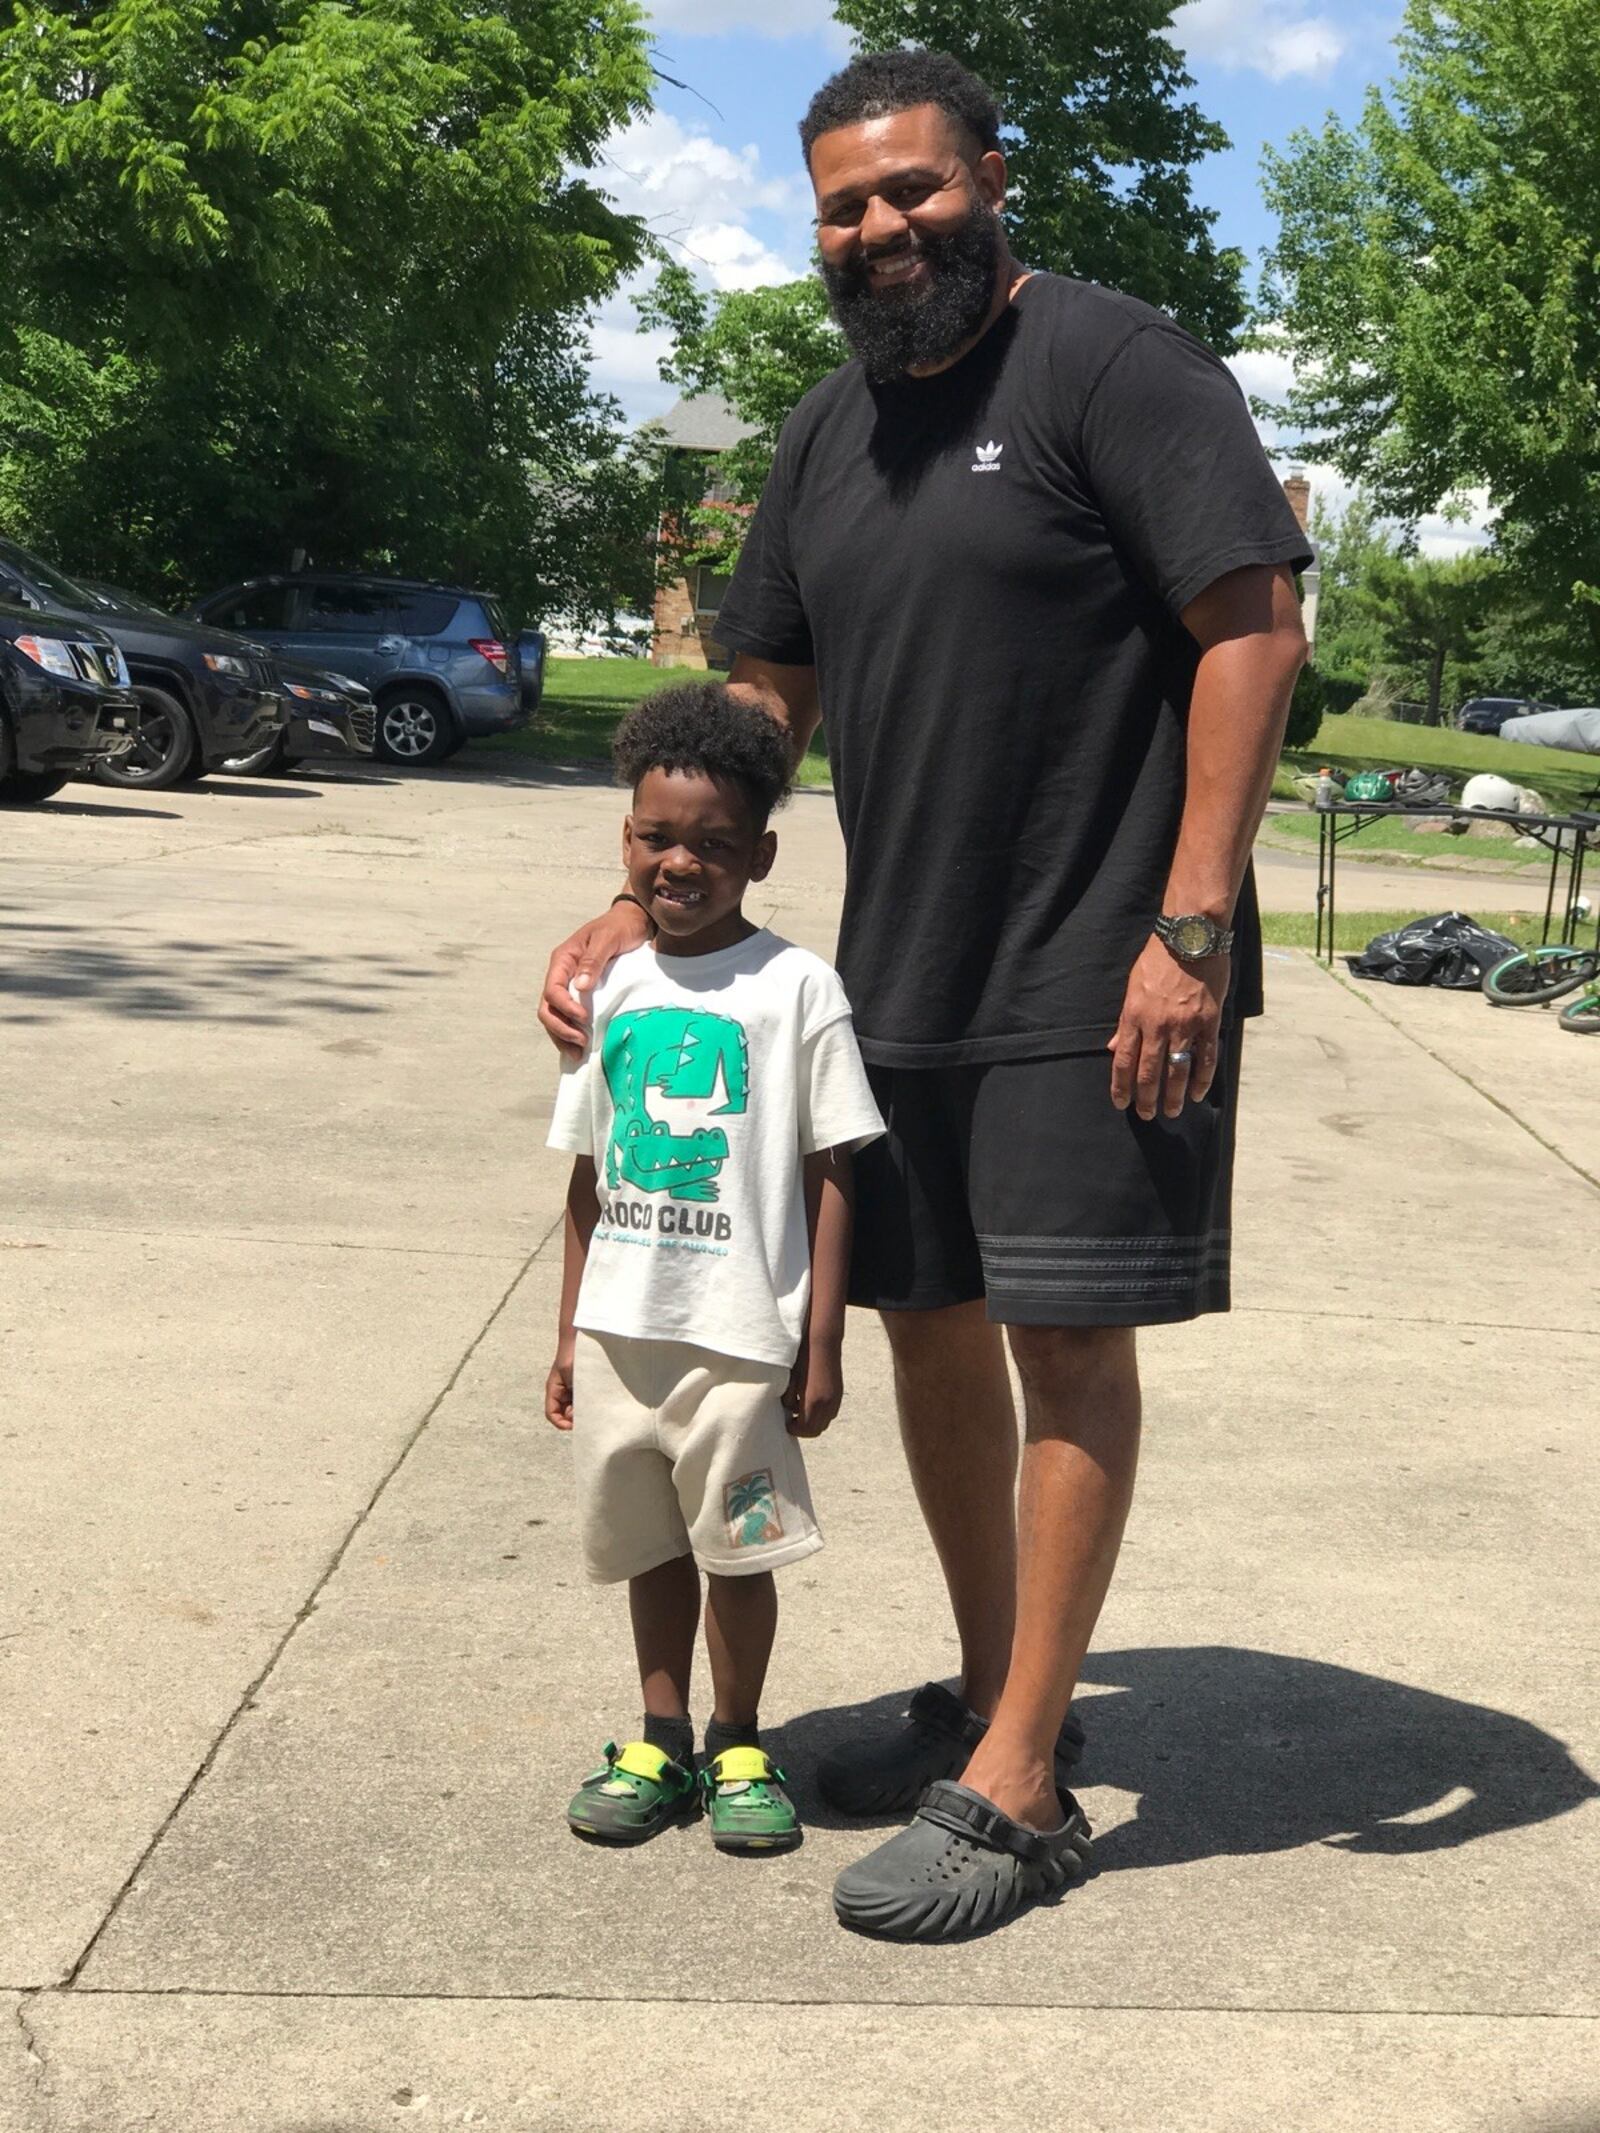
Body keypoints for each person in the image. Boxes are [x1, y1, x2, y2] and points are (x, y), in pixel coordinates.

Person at [541, 48, 1311, 1940]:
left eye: (914, 190)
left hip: (1102, 963)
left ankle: (1028, 1785)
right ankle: (991, 1697)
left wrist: (1190, 924)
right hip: (901, 971)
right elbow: (758, 704)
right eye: (846, 205)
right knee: (928, 1329)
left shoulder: (1115, 367)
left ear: (989, 175)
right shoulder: (825, 434)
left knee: (1062, 1341)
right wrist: (633, 901)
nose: (882, 230)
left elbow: (1253, 623)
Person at [545, 682, 884, 1858]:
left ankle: (739, 1742)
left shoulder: (796, 991)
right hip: (621, 1333)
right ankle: (659, 1735)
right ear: (624, 839)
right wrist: (563, 1331)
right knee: (647, 1544)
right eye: (657, 838)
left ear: (762, 854)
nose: (681, 862)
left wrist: (822, 1336)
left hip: (741, 1338)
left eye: (714, 845)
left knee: (735, 1554)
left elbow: (836, 1165)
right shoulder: (612, 990)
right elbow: (588, 1171)